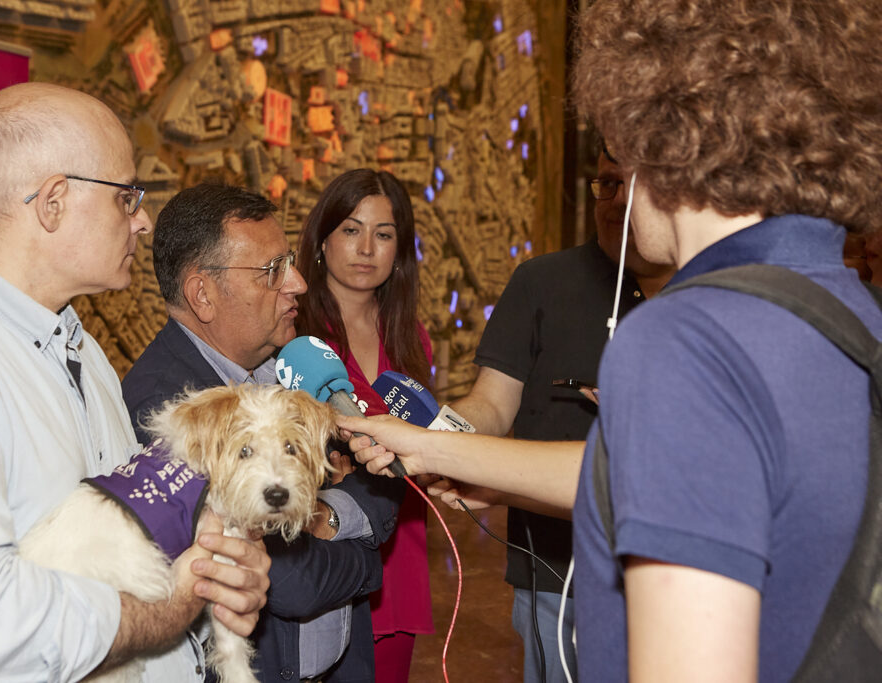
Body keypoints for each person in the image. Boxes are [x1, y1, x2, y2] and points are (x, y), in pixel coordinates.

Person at [342, 0, 882, 679]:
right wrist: (426, 443)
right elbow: (653, 477)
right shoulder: (845, 305)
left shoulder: (687, 337)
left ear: (664, 127)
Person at [0, 83, 271, 681]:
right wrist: (173, 607)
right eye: (127, 197)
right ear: (52, 202)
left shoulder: (75, 344)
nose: (143, 220)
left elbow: (133, 540)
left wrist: (214, 571)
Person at [121, 181, 405, 682]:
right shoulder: (171, 410)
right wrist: (368, 568)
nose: (296, 282)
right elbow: (289, 581)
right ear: (202, 294)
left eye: (289, 261)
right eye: (272, 270)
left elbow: (381, 475)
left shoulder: (296, 367)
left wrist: (327, 518)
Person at [439, 149, 673, 683]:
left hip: (674, 575)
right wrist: (436, 438)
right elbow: (492, 405)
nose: (617, 202)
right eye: (606, 185)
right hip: (553, 571)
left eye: (634, 185)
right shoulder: (540, 282)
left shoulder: (713, 295)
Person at [294, 168, 434, 682]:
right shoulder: (294, 335)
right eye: (351, 230)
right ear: (322, 239)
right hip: (325, 545)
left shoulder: (411, 337)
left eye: (384, 234)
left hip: (402, 545)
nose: (366, 248)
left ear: (400, 249)